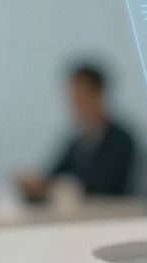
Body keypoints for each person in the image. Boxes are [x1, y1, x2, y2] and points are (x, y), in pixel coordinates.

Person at [19, 62, 136, 201]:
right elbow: (54, 174)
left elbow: (106, 186)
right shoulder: (77, 141)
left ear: (98, 93)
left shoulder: (121, 140)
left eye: (81, 94)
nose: (76, 102)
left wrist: (59, 188)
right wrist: (38, 183)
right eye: (73, 95)